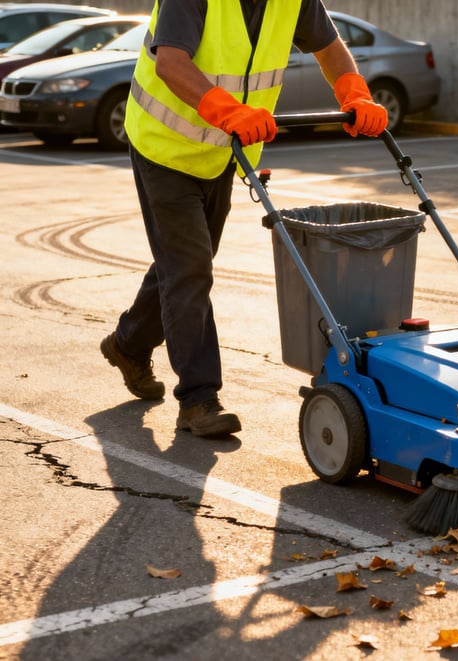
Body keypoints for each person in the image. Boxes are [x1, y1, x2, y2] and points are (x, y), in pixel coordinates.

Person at [100, 0, 387, 438]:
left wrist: (354, 91)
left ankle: (129, 343)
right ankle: (198, 399)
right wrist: (229, 111)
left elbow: (330, 48)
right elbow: (171, 65)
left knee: (184, 266)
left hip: (222, 151)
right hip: (164, 146)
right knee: (190, 268)